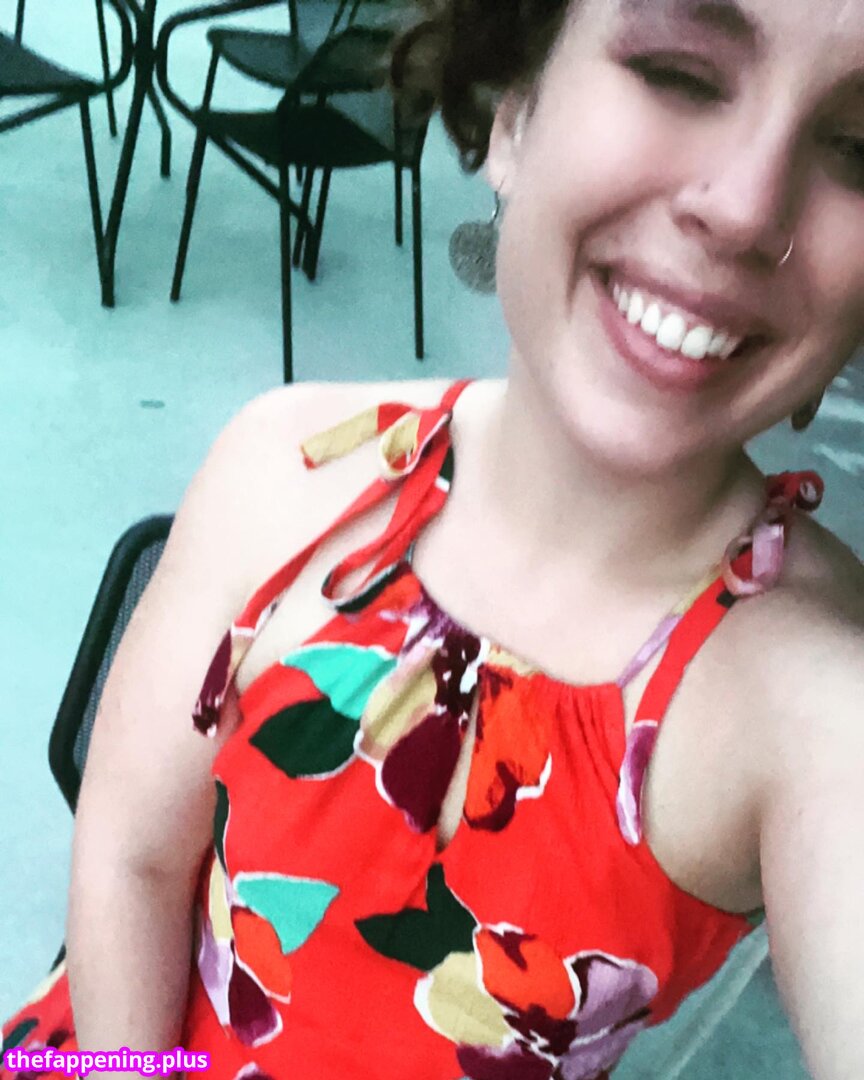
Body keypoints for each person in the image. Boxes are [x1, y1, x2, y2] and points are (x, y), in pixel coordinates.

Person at [3, 0, 864, 1077]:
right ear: (514, 111)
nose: (744, 209)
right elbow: (132, 859)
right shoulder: (288, 467)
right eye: (679, 75)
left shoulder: (811, 696)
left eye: (859, 149)